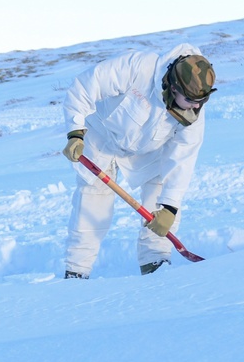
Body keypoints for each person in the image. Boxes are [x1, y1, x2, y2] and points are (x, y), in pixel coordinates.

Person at [61, 43, 216, 278]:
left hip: (150, 150)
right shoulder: (137, 67)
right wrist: (75, 131)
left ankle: (155, 263)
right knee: (93, 203)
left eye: (201, 101)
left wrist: (170, 206)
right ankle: (76, 271)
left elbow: (183, 158)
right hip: (101, 137)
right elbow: (83, 87)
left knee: (161, 202)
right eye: (192, 100)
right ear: (173, 87)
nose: (197, 107)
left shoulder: (194, 109)